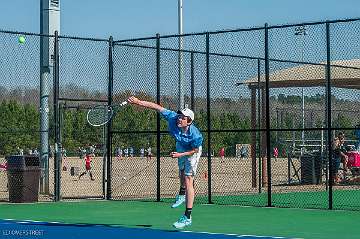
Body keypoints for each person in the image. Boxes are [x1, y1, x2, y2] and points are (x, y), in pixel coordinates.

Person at [128, 96, 203, 229]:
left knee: (188, 179)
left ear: (189, 121)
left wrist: (181, 154)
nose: (179, 118)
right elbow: (156, 107)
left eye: (183, 118)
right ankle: (181, 194)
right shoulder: (172, 117)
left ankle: (187, 216)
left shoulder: (195, 135)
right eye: (180, 116)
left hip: (192, 150)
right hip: (181, 144)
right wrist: (139, 102)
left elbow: (195, 150)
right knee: (181, 173)